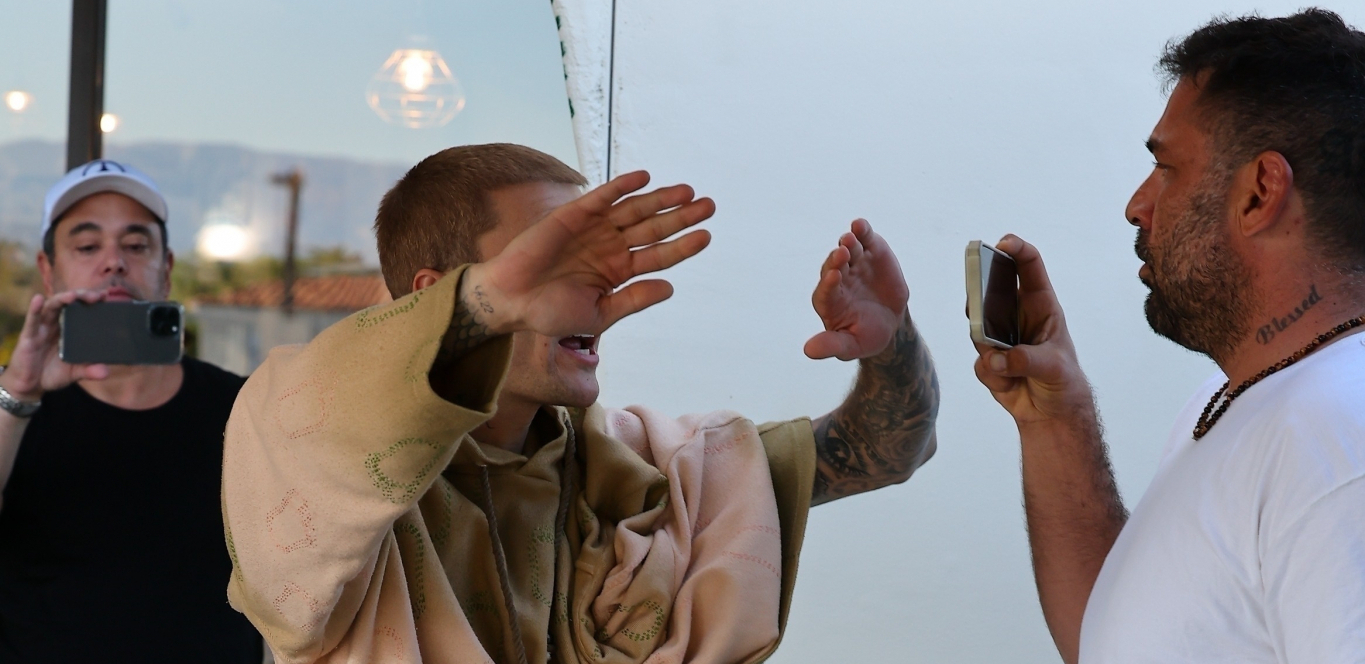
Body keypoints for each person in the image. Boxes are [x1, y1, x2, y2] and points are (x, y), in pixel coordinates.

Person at [221, 144, 939, 663]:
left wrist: (891, 342)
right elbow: (303, 420)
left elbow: (879, 451)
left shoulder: (654, 464)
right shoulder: (327, 482)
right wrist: (484, 308)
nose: (594, 288)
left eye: (599, 259)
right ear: (437, 293)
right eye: (555, 260)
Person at [972, 9, 1365, 664]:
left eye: (1166, 168)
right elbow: (1116, 640)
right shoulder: (1238, 400)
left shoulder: (1336, 439)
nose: (1138, 205)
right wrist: (1055, 421)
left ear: (1259, 192)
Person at [0, 160, 263, 662]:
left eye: (136, 245)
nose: (114, 262)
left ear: (167, 270)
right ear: (47, 270)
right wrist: (19, 392)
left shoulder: (243, 410)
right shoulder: (9, 406)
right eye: (87, 246)